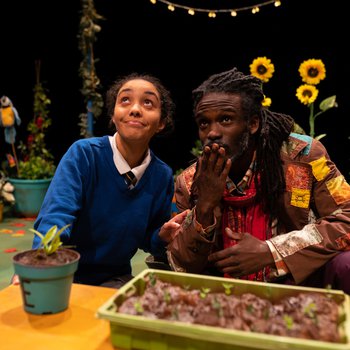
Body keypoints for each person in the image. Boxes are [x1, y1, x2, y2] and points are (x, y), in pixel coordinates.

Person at [167, 67, 350, 294]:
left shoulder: (302, 157)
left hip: (295, 283)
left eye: (225, 119)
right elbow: (180, 265)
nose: (212, 133)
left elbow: (347, 219)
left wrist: (271, 252)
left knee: (346, 264)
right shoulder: (189, 181)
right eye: (204, 123)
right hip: (221, 293)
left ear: (252, 124)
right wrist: (205, 205)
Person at [14, 72, 187, 288]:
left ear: (161, 122)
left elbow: (148, 238)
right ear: (113, 115)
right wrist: (39, 265)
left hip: (114, 279)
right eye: (125, 100)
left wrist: (161, 236)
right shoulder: (84, 155)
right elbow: (57, 216)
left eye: (148, 103)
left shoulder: (161, 176)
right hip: (63, 273)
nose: (135, 109)